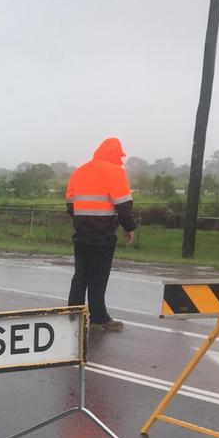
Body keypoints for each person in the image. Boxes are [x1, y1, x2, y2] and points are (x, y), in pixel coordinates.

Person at [65, 137, 137, 331]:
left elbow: (70, 205)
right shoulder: (115, 172)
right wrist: (129, 227)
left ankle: (73, 316)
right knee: (98, 276)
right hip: (103, 233)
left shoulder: (79, 171)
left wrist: (83, 219)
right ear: (115, 154)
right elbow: (123, 205)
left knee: (81, 274)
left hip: (81, 233)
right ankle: (99, 318)